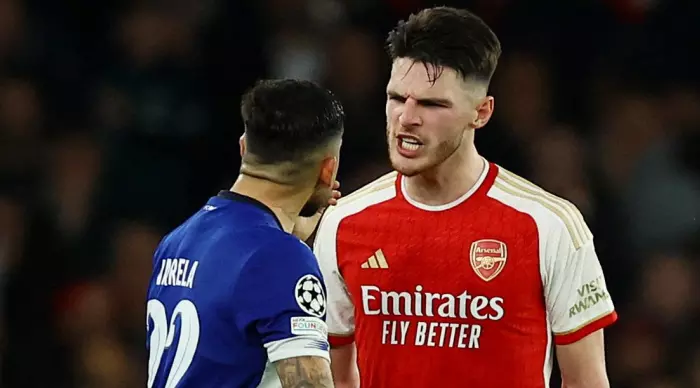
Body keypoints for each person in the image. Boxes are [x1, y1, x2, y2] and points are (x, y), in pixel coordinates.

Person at [313, 7, 617, 388]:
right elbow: (336, 377)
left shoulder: (549, 226)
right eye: (396, 98)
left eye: (431, 104)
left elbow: (587, 381)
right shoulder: (344, 221)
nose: (406, 117)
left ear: (481, 113)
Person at [145, 79, 344, 388]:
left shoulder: (177, 241)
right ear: (327, 170)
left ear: (243, 147)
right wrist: (288, 252)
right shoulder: (280, 258)